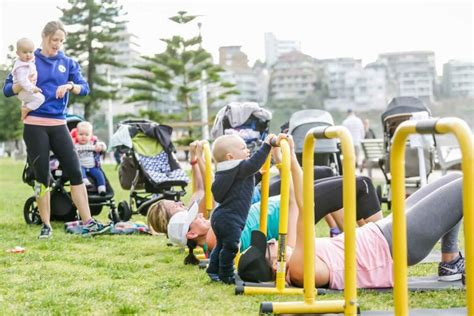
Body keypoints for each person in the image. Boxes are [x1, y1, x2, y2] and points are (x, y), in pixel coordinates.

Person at [240, 135, 464, 289]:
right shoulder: (299, 269)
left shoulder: (289, 252)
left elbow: (292, 202)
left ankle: (450, 261)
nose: (271, 240)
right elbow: (304, 206)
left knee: (453, 178)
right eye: (268, 246)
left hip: (381, 231)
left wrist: (283, 161)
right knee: (466, 183)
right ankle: (451, 262)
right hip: (395, 245)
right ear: (275, 265)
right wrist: (297, 162)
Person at [3, 21, 107, 239]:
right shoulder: (29, 59)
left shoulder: (67, 62)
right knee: (42, 177)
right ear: (44, 37)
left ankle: (88, 221)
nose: (58, 45)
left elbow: (84, 88)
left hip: (59, 125)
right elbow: (7, 90)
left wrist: (70, 86)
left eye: (61, 41)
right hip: (35, 126)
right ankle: (46, 225)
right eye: (54, 40)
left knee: (76, 172)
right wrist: (23, 84)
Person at [205, 133, 274, 284]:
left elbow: (241, 187)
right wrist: (267, 145)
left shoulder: (227, 172)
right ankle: (227, 275)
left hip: (221, 217)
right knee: (230, 248)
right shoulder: (239, 167)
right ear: (230, 157)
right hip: (231, 219)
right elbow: (253, 164)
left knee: (221, 245)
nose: (247, 150)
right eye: (243, 148)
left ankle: (213, 270)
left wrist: (258, 177)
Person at [11, 38, 45, 120]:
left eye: (31, 52)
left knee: (27, 100)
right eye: (25, 52)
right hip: (24, 91)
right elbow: (23, 81)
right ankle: (26, 109)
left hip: (24, 91)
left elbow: (32, 60)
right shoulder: (21, 67)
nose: (28, 55)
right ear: (18, 53)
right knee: (41, 98)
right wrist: (33, 88)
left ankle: (24, 109)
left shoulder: (26, 62)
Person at [74, 121, 107, 195]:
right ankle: (85, 182)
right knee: (79, 172)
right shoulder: (75, 145)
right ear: (76, 134)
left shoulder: (94, 143)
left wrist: (100, 147)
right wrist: (93, 148)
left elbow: (104, 146)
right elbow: (75, 149)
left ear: (91, 136)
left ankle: (102, 189)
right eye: (81, 134)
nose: (83, 137)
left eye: (86, 135)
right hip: (81, 165)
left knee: (100, 175)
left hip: (92, 166)